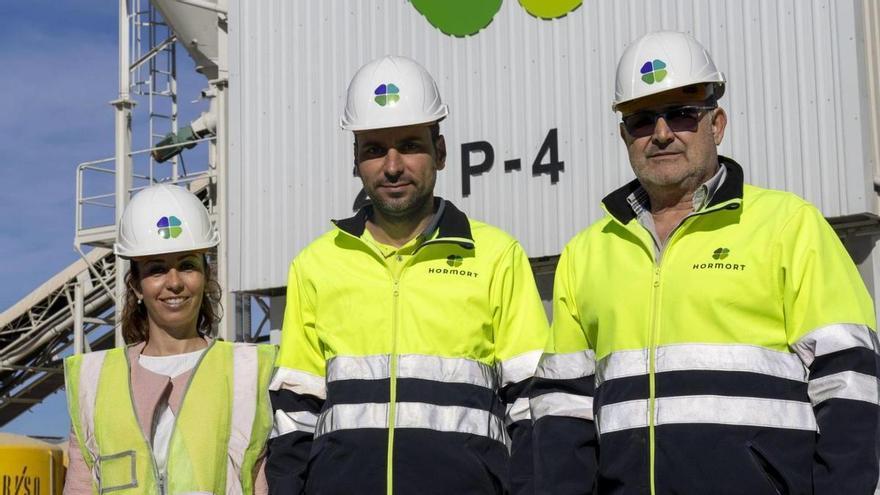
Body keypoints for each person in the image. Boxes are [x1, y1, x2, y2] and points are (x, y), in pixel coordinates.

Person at [530, 30, 880, 494]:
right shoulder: (587, 253)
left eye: (681, 114)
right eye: (641, 120)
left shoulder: (788, 226)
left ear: (716, 124)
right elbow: (562, 415)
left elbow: (850, 387)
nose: (660, 134)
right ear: (623, 135)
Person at [266, 55, 549, 494]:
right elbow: (293, 419)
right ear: (356, 158)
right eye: (374, 149)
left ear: (440, 151)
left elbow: (531, 407)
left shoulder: (496, 256)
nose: (392, 165)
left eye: (409, 145)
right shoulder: (316, 265)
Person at [64, 184, 276, 494]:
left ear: (205, 276)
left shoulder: (249, 370)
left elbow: (262, 481)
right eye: (157, 269)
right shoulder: (93, 380)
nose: (174, 282)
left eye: (188, 265)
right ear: (136, 285)